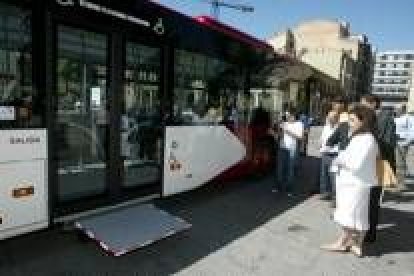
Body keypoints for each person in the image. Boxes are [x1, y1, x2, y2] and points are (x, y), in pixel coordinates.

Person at [321, 104, 379, 257]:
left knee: (349, 215)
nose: (349, 124)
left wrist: (339, 160)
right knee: (356, 215)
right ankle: (355, 244)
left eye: (353, 120)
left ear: (363, 121)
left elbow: (355, 163)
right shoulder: (362, 137)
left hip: (354, 184)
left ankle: (346, 243)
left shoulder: (366, 139)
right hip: (354, 183)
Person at [360, 94, 396, 243]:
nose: (361, 107)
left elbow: (386, 144)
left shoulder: (384, 119)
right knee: (365, 199)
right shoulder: (369, 118)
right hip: (367, 165)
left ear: (373, 104)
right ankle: (364, 229)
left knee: (373, 200)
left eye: (363, 104)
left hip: (378, 165)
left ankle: (370, 233)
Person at [273, 108, 304, 196]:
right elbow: (280, 136)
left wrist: (287, 131)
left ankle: (289, 188)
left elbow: (300, 137)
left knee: (290, 169)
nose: (287, 118)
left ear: (293, 116)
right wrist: (275, 133)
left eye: (289, 116)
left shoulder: (299, 124)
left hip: (292, 149)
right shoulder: (284, 123)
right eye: (286, 116)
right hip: (282, 147)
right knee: (280, 168)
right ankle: (278, 186)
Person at [319, 110, 339, 200]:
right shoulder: (326, 127)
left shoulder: (339, 128)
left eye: (332, 117)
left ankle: (335, 197)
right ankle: (325, 193)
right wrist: (321, 148)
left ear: (336, 118)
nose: (330, 119)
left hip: (334, 154)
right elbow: (322, 139)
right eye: (329, 117)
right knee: (324, 175)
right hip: (325, 153)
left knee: (333, 176)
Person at [394, 104, 414, 185]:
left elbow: (412, 132)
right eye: (395, 108)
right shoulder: (396, 118)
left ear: (403, 109)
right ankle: (400, 184)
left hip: (405, 143)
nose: (395, 110)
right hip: (396, 143)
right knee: (398, 164)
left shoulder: (410, 118)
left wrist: (406, 142)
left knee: (405, 164)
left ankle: (401, 184)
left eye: (397, 108)